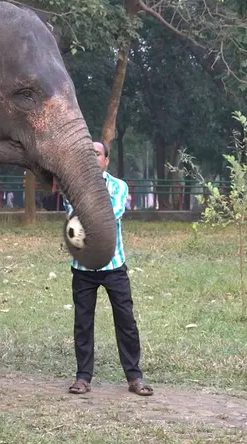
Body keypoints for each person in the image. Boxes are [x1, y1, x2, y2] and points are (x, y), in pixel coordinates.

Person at [64, 141, 153, 397]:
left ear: (106, 160)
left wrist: (86, 213)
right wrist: (85, 215)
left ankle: (134, 377)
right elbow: (74, 216)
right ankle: (83, 378)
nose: (93, 158)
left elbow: (107, 215)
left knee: (126, 321)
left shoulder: (118, 186)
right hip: (83, 267)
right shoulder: (72, 186)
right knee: (83, 323)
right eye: (88, 155)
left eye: (97, 154)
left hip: (114, 266)